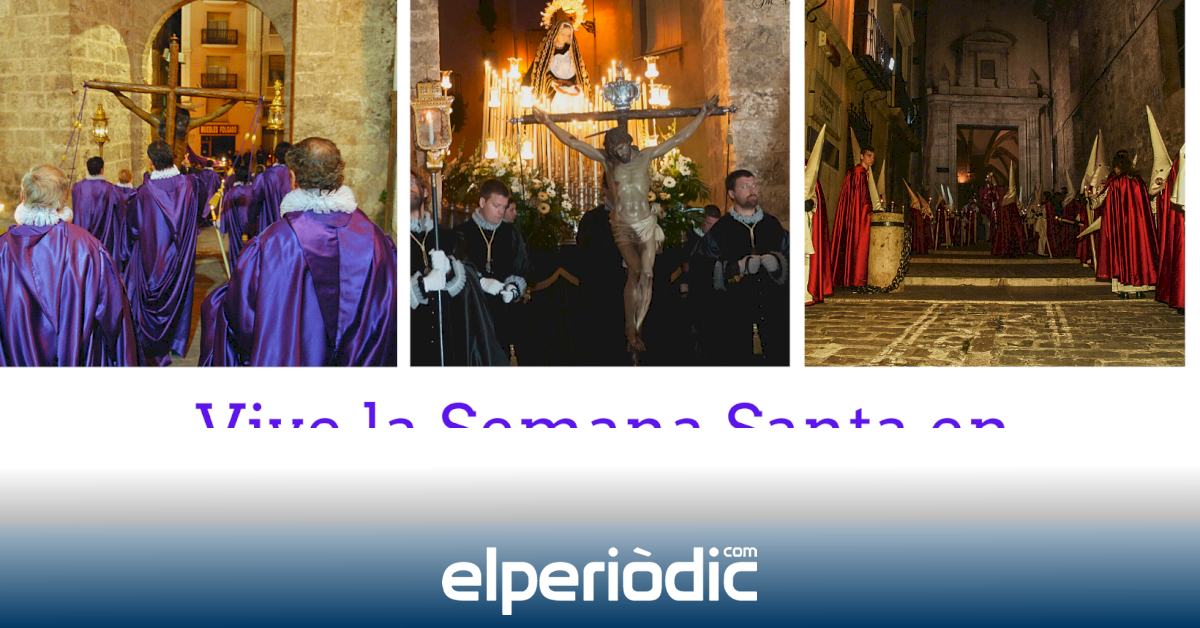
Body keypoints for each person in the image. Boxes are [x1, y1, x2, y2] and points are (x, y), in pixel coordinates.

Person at [532, 96, 719, 353]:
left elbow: (678, 138)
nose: (618, 154)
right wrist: (547, 122)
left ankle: (637, 327)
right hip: (621, 225)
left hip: (645, 223)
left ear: (628, 143)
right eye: (613, 150)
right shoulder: (607, 161)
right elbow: (573, 142)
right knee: (636, 272)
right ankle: (631, 329)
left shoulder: (646, 155)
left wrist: (702, 115)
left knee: (648, 274)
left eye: (619, 148)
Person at [200, 137, 397, 366]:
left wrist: (217, 302)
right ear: (338, 175)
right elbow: (387, 311)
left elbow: (244, 319)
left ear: (293, 178)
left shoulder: (274, 242)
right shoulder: (375, 239)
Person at [0, 164, 138, 366]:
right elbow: (112, 314)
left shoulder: (2, 249)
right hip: (75, 359)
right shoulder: (88, 247)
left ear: (23, 196)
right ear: (65, 197)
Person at [691, 170, 789, 365]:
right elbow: (700, 266)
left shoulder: (772, 224)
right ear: (731, 194)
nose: (752, 190)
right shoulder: (721, 229)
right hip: (733, 314)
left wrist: (778, 263)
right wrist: (736, 267)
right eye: (744, 186)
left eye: (753, 185)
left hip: (772, 311)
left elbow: (791, 252)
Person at [409, 171, 506, 366]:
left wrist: (451, 269)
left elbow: (469, 277)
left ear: (425, 192)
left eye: (411, 181)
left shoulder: (448, 237)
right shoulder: (393, 238)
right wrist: (421, 285)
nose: (407, 187)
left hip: (449, 337)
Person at [123, 140, 198, 366]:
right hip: (181, 257)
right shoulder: (188, 185)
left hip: (153, 258)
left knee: (151, 301)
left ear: (151, 161)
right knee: (179, 296)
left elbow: (133, 228)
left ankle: (154, 343)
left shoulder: (144, 193)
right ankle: (175, 340)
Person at [453, 179, 531, 360]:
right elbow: (456, 271)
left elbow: (522, 267)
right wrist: (479, 281)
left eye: (504, 207)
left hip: (503, 315)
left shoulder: (511, 234)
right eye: (496, 206)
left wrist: (514, 288)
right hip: (472, 314)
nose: (500, 212)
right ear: (482, 202)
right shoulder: (461, 233)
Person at [103, 92, 237, 167]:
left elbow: (214, 114)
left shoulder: (185, 124)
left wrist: (235, 101)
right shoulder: (162, 122)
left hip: (177, 163)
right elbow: (133, 108)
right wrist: (115, 92)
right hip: (165, 163)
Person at [575, 183, 628, 365]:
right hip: (599, 293)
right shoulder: (591, 219)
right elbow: (584, 257)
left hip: (626, 292)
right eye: (615, 185)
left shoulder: (634, 216)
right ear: (605, 189)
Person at [1095, 150, 1158, 298]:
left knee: (1123, 253)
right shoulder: (1138, 182)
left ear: (1118, 167)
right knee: (1139, 252)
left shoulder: (1116, 183)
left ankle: (1124, 290)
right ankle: (1140, 289)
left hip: (1122, 228)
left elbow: (1103, 201)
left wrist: (1092, 201)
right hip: (1138, 228)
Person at [830, 146, 874, 286]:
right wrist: (869, 211)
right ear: (861, 156)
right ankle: (856, 278)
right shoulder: (858, 172)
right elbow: (862, 199)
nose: (872, 159)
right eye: (869, 155)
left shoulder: (860, 172)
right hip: (858, 214)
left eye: (873, 156)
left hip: (855, 212)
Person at [524, 19, 590, 113]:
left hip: (572, 93)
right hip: (554, 93)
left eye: (568, 35)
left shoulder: (572, 51)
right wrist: (551, 82)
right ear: (556, 34)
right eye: (562, 34)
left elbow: (579, 73)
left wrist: (577, 85)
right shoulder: (546, 52)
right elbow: (540, 73)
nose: (565, 38)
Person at [71, 156, 127, 265]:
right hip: (105, 236)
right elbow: (121, 213)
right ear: (102, 169)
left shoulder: (78, 187)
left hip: (83, 235)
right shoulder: (111, 189)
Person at [250, 141, 291, 234]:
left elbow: (256, 198)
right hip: (291, 225)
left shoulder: (265, 176)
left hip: (269, 221)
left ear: (275, 157)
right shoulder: (295, 175)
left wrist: (251, 219)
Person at [219, 163, 254, 265]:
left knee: (237, 249)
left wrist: (221, 223)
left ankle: (237, 269)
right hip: (251, 225)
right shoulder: (253, 191)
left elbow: (226, 211)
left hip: (236, 226)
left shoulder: (231, 193)